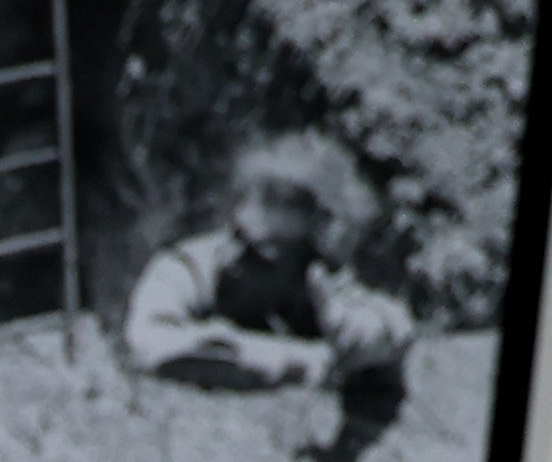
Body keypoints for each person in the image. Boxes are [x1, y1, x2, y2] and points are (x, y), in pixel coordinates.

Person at [125, 133, 413, 436]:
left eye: (269, 254)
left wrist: (351, 333)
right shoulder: (191, 267)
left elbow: (393, 327)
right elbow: (150, 342)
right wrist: (295, 360)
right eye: (240, 237)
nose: (238, 259)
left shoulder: (321, 278)